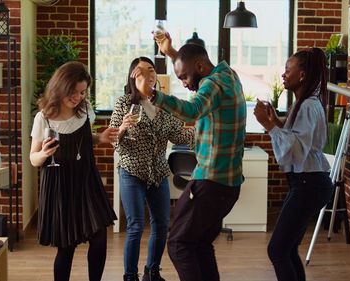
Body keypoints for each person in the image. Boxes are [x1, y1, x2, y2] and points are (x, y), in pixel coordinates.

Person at [133, 34, 246, 281]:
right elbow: (192, 63)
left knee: (178, 244)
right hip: (228, 184)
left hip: (211, 181)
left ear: (199, 67)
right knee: (199, 244)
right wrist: (173, 53)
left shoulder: (211, 85)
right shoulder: (228, 75)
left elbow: (192, 110)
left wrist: (152, 94)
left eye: (183, 77)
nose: (183, 83)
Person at [29, 61, 118, 281]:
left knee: (99, 237)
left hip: (87, 180)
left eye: (82, 92)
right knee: (66, 247)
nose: (78, 97)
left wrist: (100, 138)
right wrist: (44, 154)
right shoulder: (43, 118)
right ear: (61, 86)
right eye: (74, 92)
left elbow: (85, 140)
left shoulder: (85, 110)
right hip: (59, 185)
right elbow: (33, 159)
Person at [110, 57, 195, 281]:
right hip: (132, 171)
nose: (147, 74)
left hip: (158, 172)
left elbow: (180, 135)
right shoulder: (123, 104)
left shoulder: (164, 105)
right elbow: (112, 140)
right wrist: (122, 129)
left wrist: (204, 130)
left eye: (151, 70)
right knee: (136, 226)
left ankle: (152, 271)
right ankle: (130, 276)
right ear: (132, 77)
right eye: (141, 71)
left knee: (162, 224)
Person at [253, 47, 334, 281]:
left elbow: (296, 150)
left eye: (288, 70)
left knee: (277, 250)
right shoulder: (305, 103)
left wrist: (268, 126)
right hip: (308, 182)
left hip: (309, 184)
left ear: (303, 75)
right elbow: (297, 138)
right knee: (286, 249)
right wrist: (274, 120)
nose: (283, 74)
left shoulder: (308, 105)